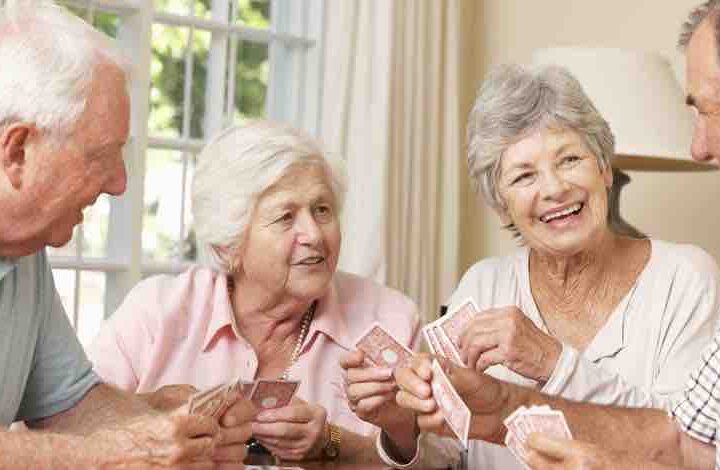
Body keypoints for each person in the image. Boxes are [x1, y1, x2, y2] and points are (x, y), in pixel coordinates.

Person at [344, 61, 720, 469]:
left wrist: (552, 361)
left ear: (605, 169)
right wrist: (402, 427)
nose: (555, 188)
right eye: (524, 176)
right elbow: (451, 457)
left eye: (570, 159)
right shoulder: (483, 285)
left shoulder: (684, 278)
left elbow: (687, 448)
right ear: (499, 201)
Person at [0, 1, 253, 468]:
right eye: (100, 156)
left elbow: (68, 406)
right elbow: (92, 448)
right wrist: (114, 453)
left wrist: (161, 417)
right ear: (17, 150)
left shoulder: (25, 251)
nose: (118, 183)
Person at [87, 120, 421, 464]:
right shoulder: (156, 313)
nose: (314, 234)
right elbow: (76, 430)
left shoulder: (389, 318)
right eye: (285, 217)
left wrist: (330, 441)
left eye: (322, 210)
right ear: (228, 246)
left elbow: (442, 462)